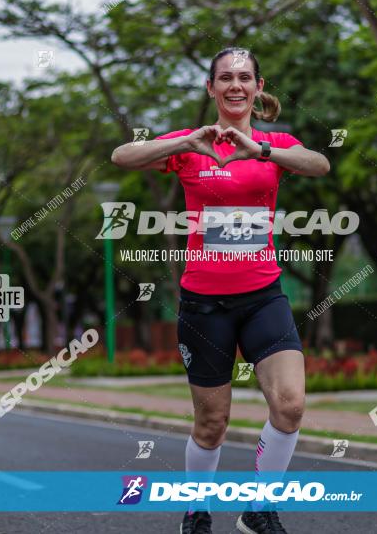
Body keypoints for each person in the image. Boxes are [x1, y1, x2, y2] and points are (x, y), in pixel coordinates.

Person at [112, 47, 330, 534]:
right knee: (213, 422)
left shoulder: (275, 144)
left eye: (244, 78)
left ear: (257, 87)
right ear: (211, 88)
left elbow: (319, 164)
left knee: (290, 404)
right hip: (204, 304)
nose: (235, 85)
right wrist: (182, 142)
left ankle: (259, 508)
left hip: (262, 297)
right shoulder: (193, 144)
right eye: (225, 78)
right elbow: (122, 156)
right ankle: (197, 509)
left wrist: (263, 151)